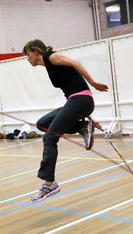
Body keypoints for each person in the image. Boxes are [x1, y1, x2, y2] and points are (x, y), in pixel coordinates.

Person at [22, 39, 107, 203]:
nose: (27, 59)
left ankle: (49, 184)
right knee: (42, 124)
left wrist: (94, 83)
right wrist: (89, 118)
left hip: (81, 100)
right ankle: (83, 126)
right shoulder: (49, 67)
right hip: (77, 102)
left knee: (49, 138)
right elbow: (72, 92)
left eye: (27, 55)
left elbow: (76, 62)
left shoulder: (51, 57)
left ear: (35, 51)